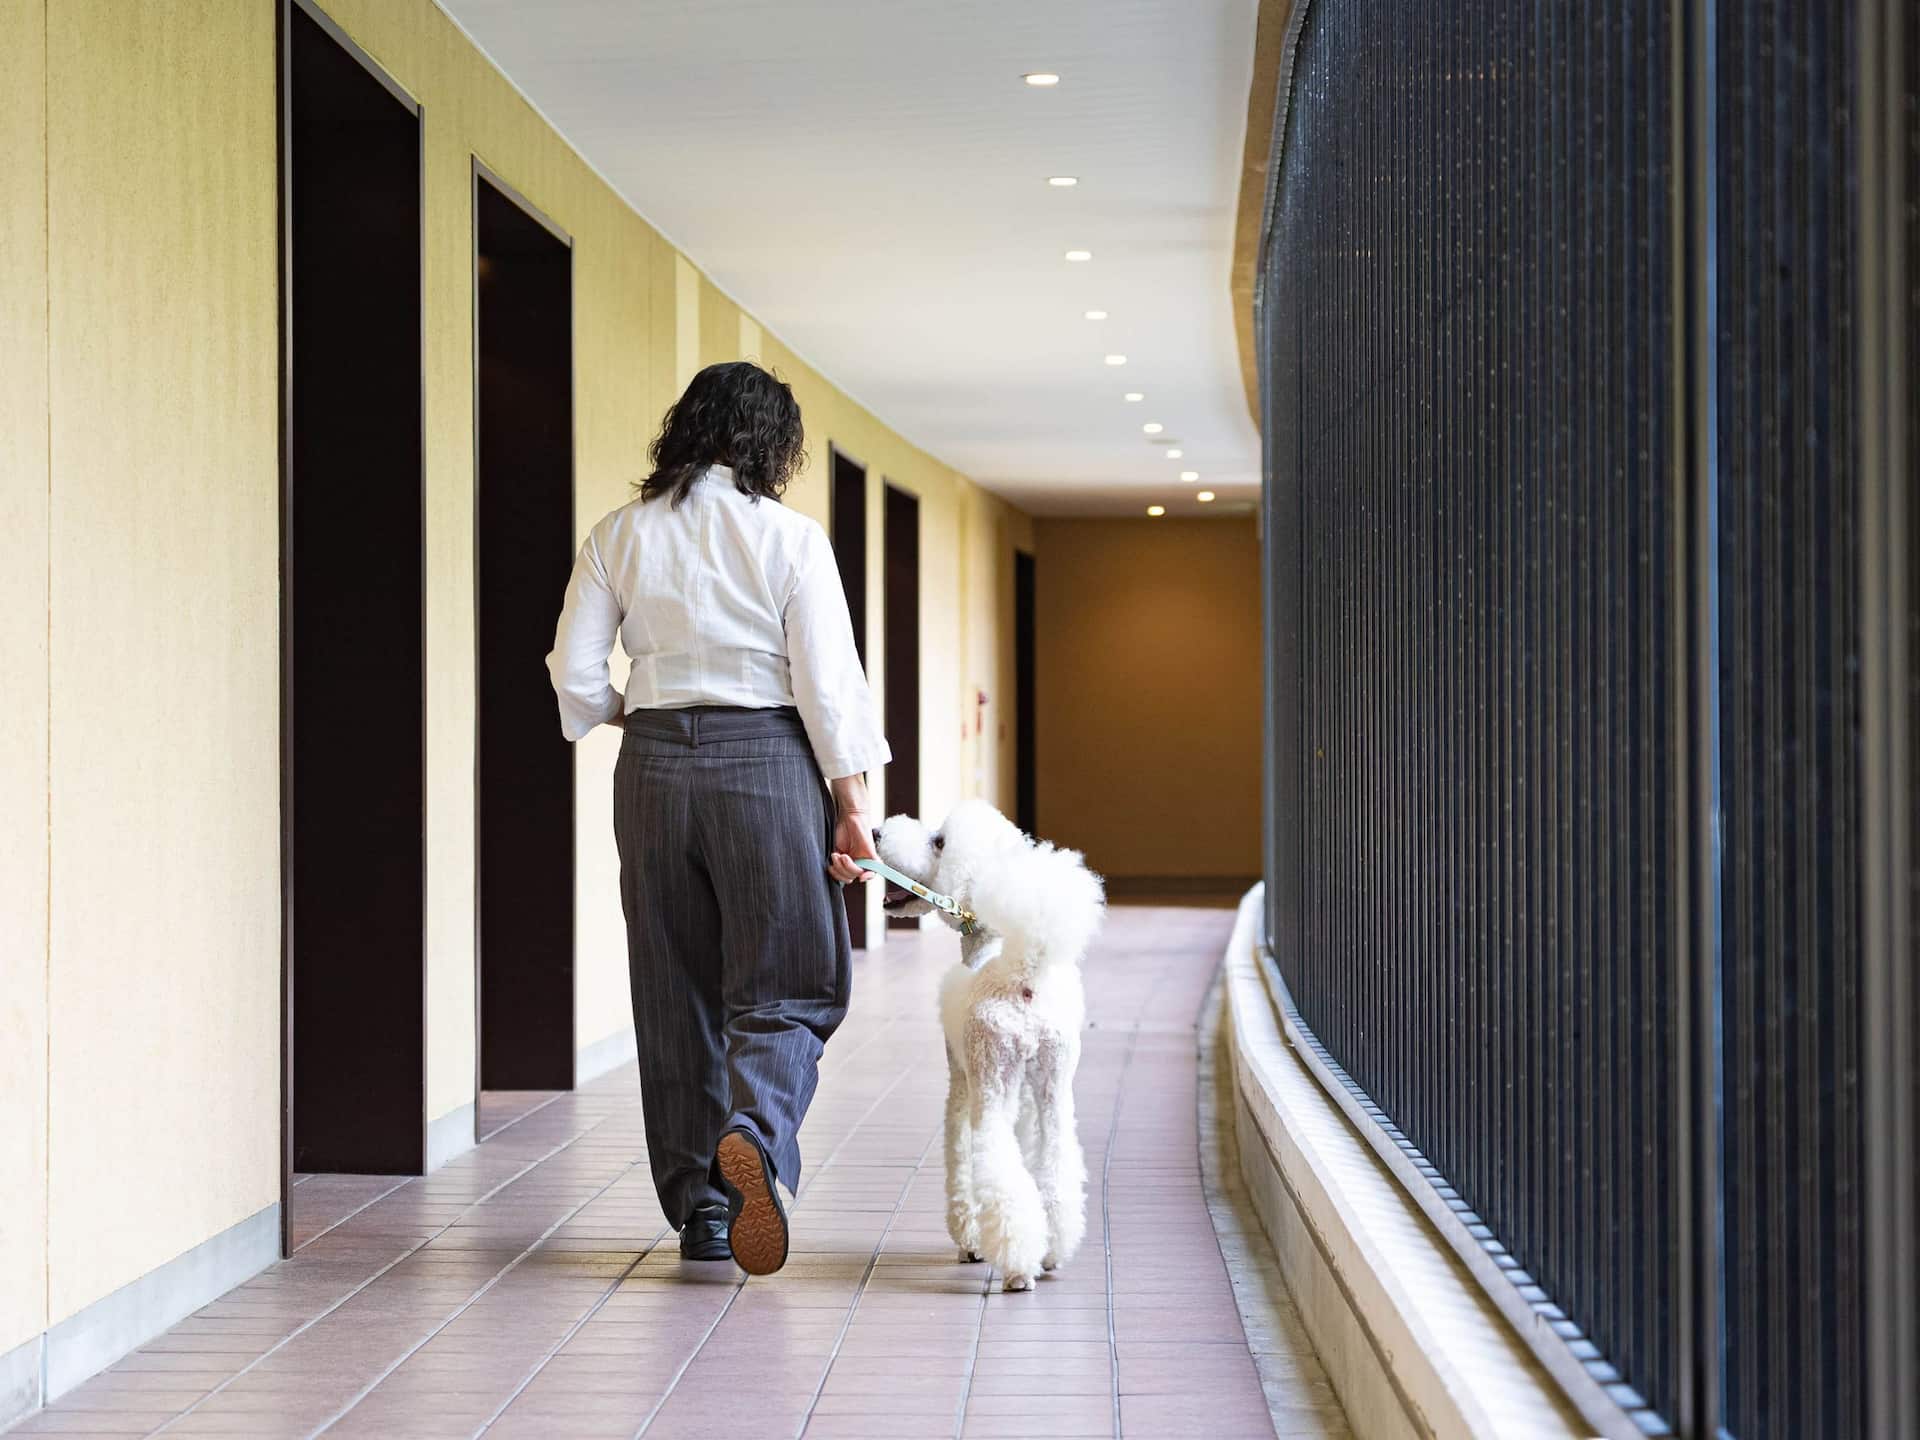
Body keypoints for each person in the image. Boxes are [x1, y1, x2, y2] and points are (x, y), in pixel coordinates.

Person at [546, 361, 887, 1275]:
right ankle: (756, 1133)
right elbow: (828, 686)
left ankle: (703, 1211)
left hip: (653, 767)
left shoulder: (618, 534)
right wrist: (853, 810)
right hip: (768, 761)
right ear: (772, 445)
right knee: (794, 981)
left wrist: (638, 714)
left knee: (674, 987)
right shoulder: (789, 537)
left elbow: (575, 679)